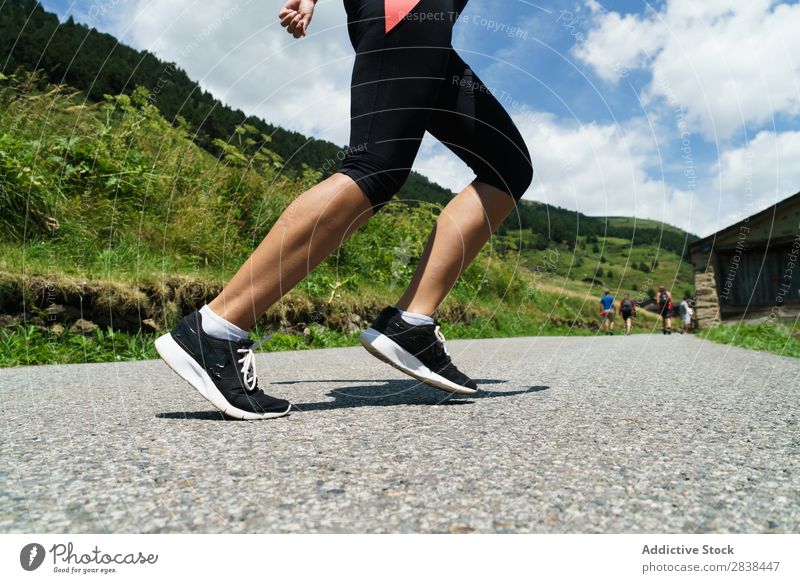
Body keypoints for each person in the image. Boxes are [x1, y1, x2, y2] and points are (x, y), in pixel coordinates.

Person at [154, 0, 533, 420]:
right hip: (405, 9)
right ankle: (216, 329)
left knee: (507, 166)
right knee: (373, 167)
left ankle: (411, 324)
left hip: (428, 20)